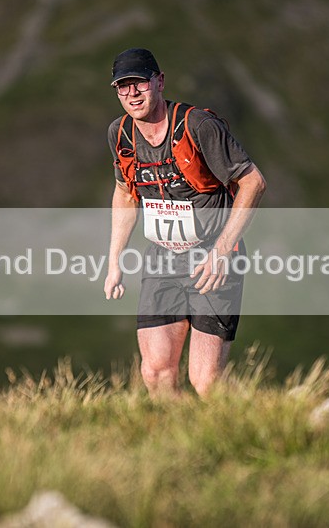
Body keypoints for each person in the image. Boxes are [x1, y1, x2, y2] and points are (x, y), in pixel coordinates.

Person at [103, 48, 266, 398]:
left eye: (139, 83)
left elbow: (253, 182)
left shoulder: (198, 126)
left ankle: (253, 422)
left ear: (159, 82)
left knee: (206, 382)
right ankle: (176, 433)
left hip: (212, 259)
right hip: (162, 259)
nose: (132, 93)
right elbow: (126, 193)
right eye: (123, 86)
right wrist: (114, 260)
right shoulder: (120, 133)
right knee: (156, 372)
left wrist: (222, 251)